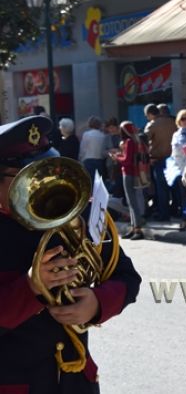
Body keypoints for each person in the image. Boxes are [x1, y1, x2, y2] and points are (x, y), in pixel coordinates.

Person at [0, 115, 141, 393]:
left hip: (76, 381)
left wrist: (97, 303)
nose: (43, 185)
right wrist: (30, 287)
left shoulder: (77, 214)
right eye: (28, 177)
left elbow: (127, 279)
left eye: (46, 170)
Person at [109, 121, 148, 240]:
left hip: (129, 173)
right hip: (132, 172)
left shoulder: (129, 142)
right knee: (132, 202)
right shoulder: (134, 140)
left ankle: (137, 229)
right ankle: (133, 227)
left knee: (132, 202)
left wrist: (116, 157)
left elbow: (126, 160)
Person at [144, 103, 177, 222]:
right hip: (174, 159)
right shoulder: (174, 122)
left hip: (159, 159)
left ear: (150, 114)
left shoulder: (152, 124)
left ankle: (164, 214)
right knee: (175, 187)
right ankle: (176, 210)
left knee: (161, 188)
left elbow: (144, 141)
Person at [78, 116, 109, 181]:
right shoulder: (103, 135)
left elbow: (83, 148)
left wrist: (80, 158)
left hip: (88, 160)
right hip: (100, 161)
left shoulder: (86, 134)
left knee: (89, 181)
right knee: (99, 182)